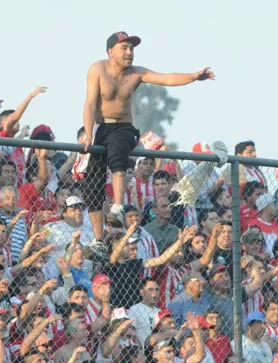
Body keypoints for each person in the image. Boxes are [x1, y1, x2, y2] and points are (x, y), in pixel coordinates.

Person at [80, 32, 213, 238]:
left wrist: (194, 77)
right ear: (110, 51)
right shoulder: (97, 69)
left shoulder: (136, 73)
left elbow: (166, 78)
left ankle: (117, 206)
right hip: (101, 128)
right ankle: (98, 238)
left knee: (117, 154)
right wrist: (88, 134)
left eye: (131, 49)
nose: (129, 53)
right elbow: (89, 103)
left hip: (123, 127)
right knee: (92, 184)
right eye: (124, 48)